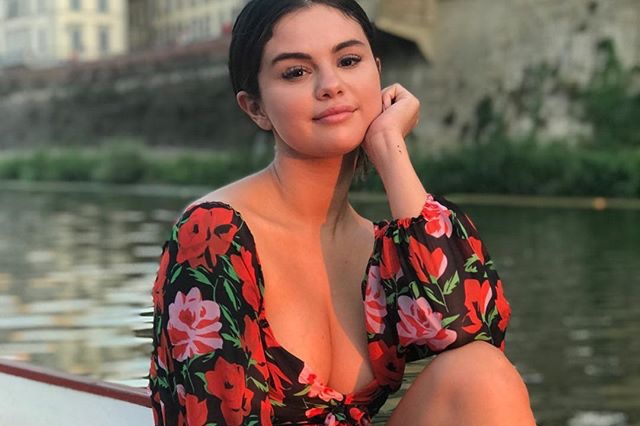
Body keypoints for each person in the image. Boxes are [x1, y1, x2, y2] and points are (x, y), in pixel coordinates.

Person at [148, 0, 536, 425]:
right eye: (296, 72)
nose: (331, 85)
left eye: (348, 61)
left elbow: (470, 330)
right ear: (255, 108)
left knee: (480, 372)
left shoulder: (382, 250)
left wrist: (389, 147)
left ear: (378, 72)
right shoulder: (213, 234)